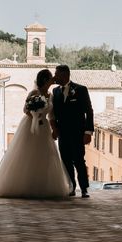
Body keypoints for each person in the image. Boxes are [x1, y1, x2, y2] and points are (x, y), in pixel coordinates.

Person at [0, 69, 71, 198]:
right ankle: (24, 185)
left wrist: (54, 129)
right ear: (45, 80)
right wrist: (35, 117)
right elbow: (25, 109)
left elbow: (51, 115)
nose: (53, 79)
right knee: (28, 153)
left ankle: (42, 185)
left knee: (45, 155)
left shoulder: (51, 95)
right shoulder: (34, 92)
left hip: (44, 127)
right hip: (30, 125)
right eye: (51, 78)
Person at [50, 64, 94, 198]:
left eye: (57, 74)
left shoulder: (80, 90)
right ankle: (71, 187)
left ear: (65, 75)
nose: (55, 76)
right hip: (63, 133)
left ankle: (84, 188)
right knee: (66, 161)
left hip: (77, 133)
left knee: (79, 161)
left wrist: (88, 132)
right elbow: (54, 113)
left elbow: (89, 111)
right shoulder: (55, 91)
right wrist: (55, 129)